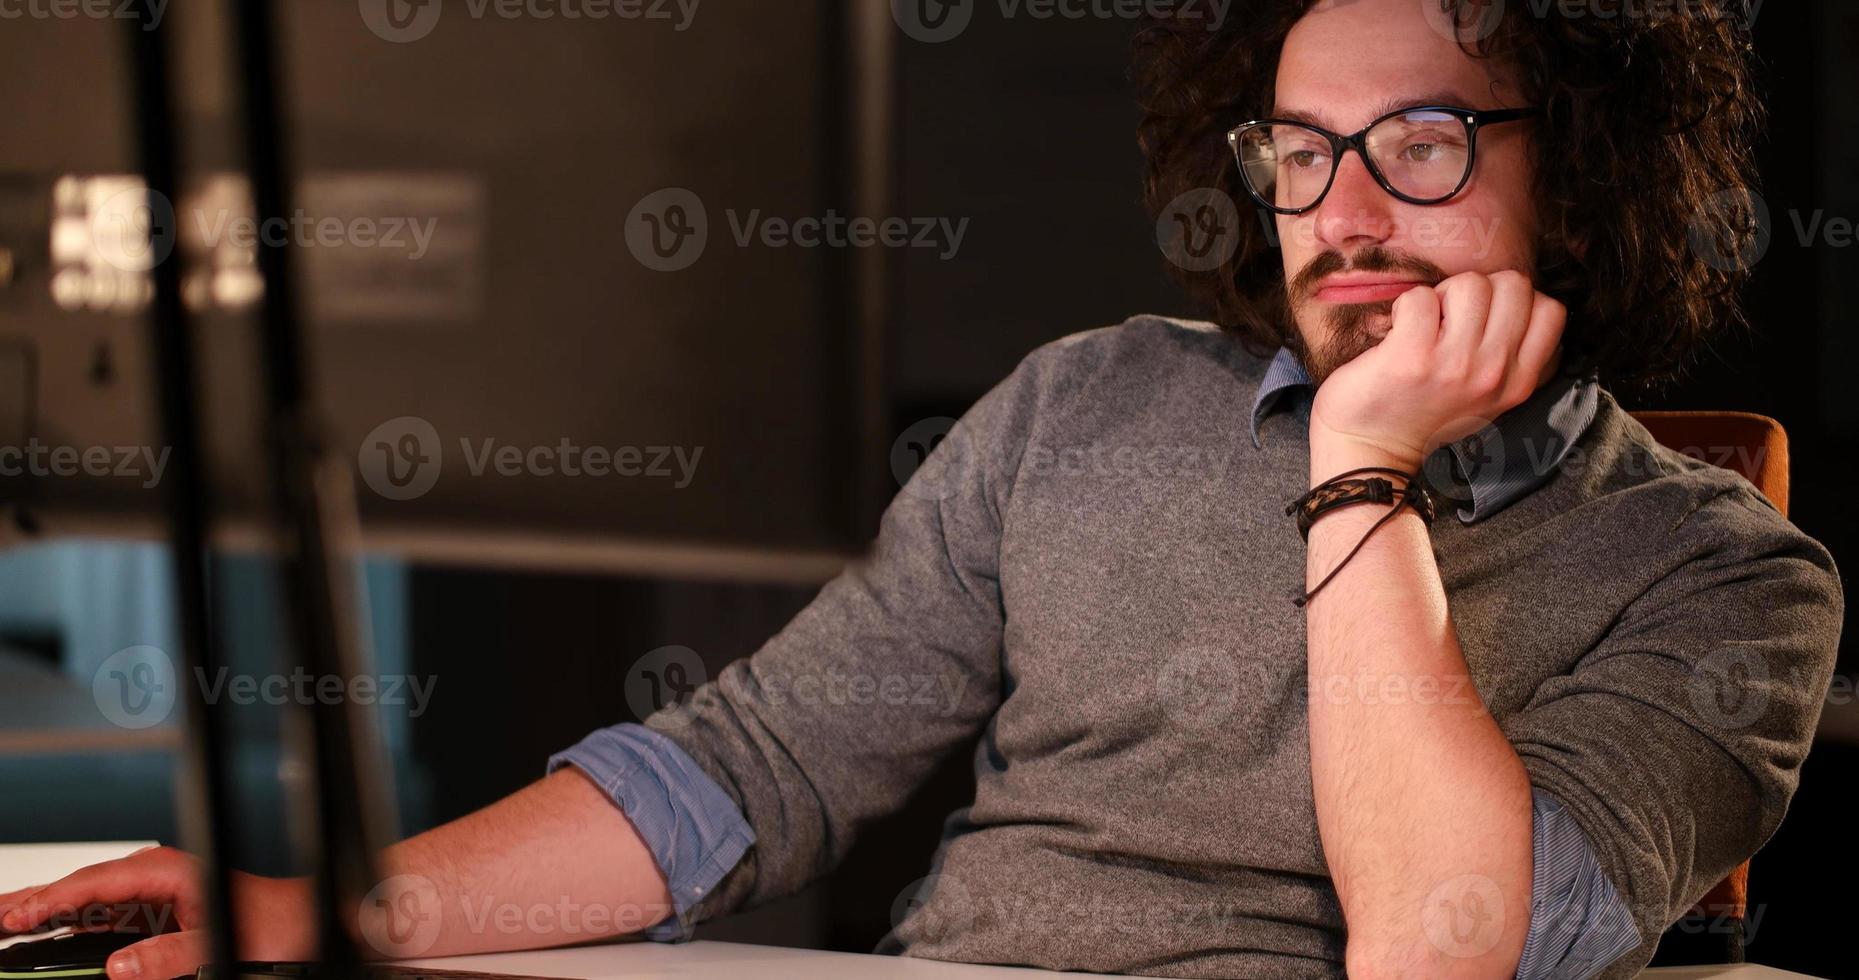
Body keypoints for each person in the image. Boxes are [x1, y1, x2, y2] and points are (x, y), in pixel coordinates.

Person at [2, 1, 1841, 978]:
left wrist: (1365, 467)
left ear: (1589, 175)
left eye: (1420, 144)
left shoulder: (1723, 583)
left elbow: (1438, 953)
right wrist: (327, 915)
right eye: (1298, 149)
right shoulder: (1089, 406)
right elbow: (752, 771)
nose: (1342, 213)